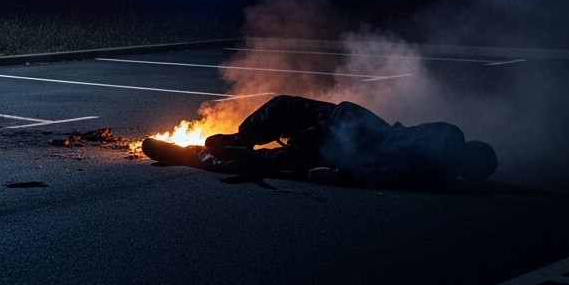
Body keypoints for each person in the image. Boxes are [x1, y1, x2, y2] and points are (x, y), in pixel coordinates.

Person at [141, 95, 497, 189]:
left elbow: (393, 154)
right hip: (349, 135)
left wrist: (339, 171)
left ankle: (196, 152)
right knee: (276, 139)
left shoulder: (446, 141)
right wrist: (341, 175)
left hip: (347, 134)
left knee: (272, 152)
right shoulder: (440, 159)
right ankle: (227, 144)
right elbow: (392, 161)